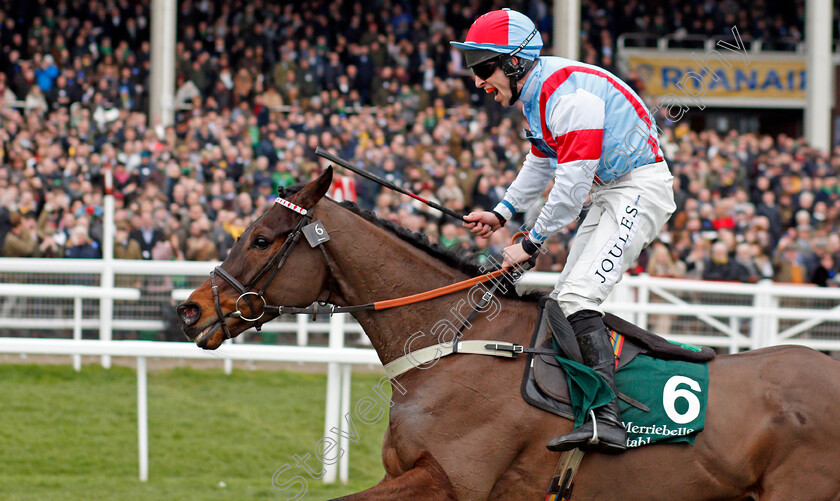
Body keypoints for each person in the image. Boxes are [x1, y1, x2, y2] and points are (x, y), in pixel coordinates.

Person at [452, 9, 675, 454]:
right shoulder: (537, 94)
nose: (477, 81)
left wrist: (530, 244)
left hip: (635, 188)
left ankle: (608, 418)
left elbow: (570, 190)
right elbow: (540, 163)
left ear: (515, 62)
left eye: (483, 68)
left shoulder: (568, 98)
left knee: (577, 298)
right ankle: (584, 407)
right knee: (563, 300)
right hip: (610, 190)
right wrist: (502, 213)